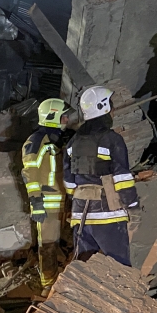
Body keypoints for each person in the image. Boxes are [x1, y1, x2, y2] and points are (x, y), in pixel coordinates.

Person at [63, 86, 139, 266]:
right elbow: (122, 177)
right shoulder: (112, 139)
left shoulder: (73, 142)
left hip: (80, 213)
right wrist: (132, 204)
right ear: (103, 108)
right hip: (108, 214)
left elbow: (68, 181)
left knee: (83, 268)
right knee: (119, 266)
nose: (113, 111)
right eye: (111, 107)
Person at [22, 99, 69, 287]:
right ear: (53, 116)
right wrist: (36, 202)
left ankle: (60, 281)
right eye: (63, 116)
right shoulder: (36, 141)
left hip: (61, 203)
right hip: (47, 204)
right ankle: (48, 283)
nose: (66, 120)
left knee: (59, 245)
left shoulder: (55, 140)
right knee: (48, 246)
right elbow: (29, 172)